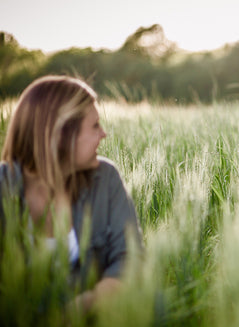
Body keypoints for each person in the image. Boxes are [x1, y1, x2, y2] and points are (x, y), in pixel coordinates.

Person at [0, 75, 143, 312]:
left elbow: (130, 258)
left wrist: (81, 308)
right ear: (60, 135)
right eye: (95, 125)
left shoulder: (105, 179)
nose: (104, 134)